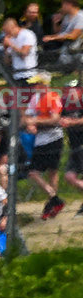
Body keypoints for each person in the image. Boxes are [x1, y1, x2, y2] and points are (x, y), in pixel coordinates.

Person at [23, 72, 65, 219]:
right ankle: (54, 198)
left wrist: (34, 122)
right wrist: (29, 124)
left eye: (37, 84)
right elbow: (27, 116)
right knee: (33, 172)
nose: (34, 87)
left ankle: (51, 204)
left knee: (52, 172)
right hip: (40, 140)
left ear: (44, 85)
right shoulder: (35, 98)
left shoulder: (53, 97)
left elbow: (54, 119)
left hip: (53, 139)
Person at [62, 81, 83, 216]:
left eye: (72, 90)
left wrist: (71, 122)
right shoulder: (66, 105)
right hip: (74, 147)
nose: (69, 92)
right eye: (67, 90)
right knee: (69, 176)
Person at [2, 18, 38, 84]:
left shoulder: (27, 34)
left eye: (7, 31)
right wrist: (5, 49)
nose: (6, 34)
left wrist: (11, 45)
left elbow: (24, 53)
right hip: (17, 76)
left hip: (28, 75)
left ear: (12, 27)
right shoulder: (11, 39)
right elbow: (7, 62)